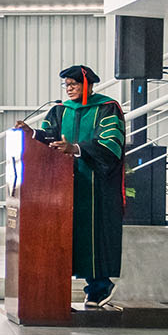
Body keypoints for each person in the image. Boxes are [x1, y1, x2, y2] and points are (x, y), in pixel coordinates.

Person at [14, 64, 126, 308]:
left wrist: (75, 149)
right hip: (62, 187)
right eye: (66, 85)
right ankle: (65, 289)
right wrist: (31, 133)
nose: (69, 89)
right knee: (66, 235)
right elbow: (49, 138)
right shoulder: (59, 111)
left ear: (87, 85)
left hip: (96, 187)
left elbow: (111, 145)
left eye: (73, 84)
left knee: (92, 236)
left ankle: (100, 285)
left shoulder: (107, 108)